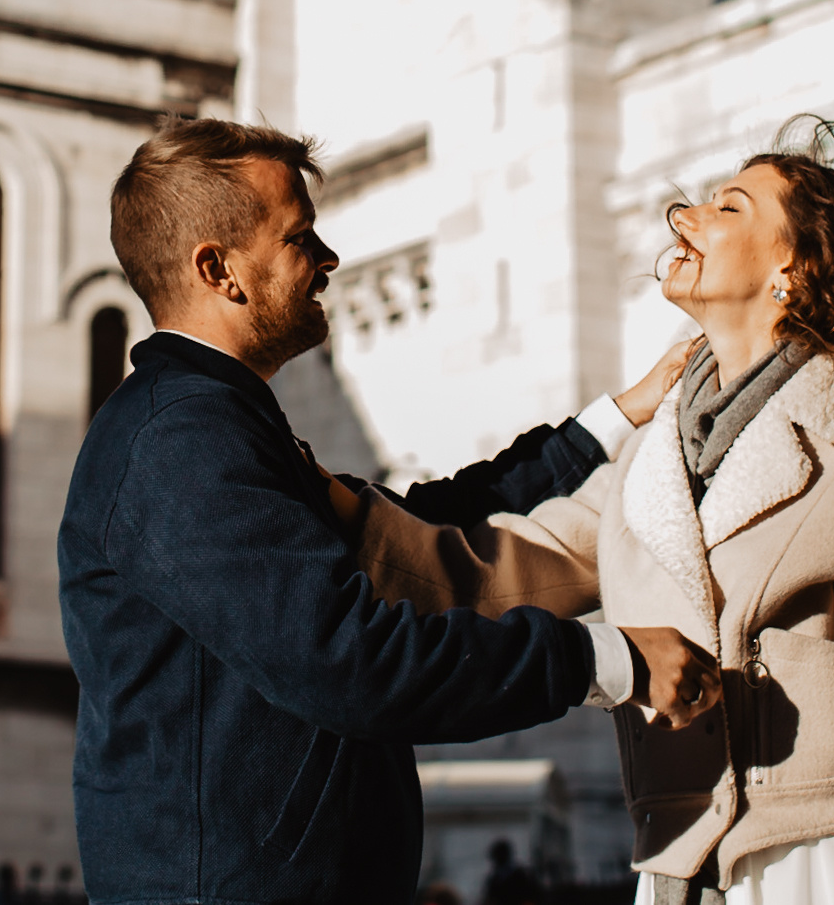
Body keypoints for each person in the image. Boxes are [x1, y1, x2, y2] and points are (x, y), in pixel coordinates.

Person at [341, 119, 834, 905]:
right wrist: (336, 512)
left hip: (833, 860)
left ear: (793, 272)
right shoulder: (651, 456)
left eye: (729, 208)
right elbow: (501, 568)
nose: (685, 218)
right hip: (676, 862)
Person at [59, 117, 722, 905]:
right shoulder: (181, 440)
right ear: (220, 269)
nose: (330, 260)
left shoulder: (217, 421)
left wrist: (613, 420)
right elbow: (348, 661)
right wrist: (610, 662)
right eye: (301, 237)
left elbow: (412, 535)